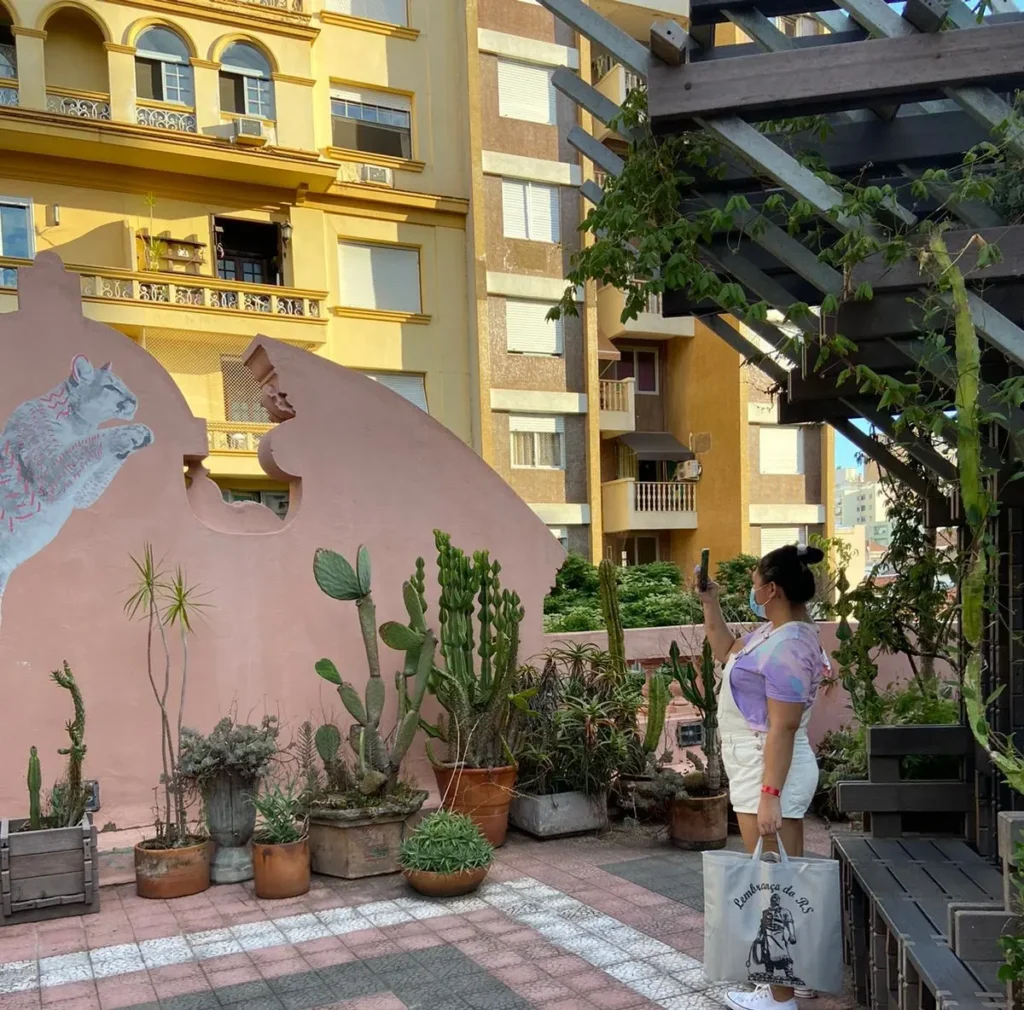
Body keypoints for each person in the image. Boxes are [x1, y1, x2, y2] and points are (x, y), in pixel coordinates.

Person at [697, 543, 831, 1010]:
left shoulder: (790, 644)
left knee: (774, 886)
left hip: (769, 769)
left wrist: (770, 795)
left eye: (755, 584)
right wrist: (710, 604)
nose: (752, 591)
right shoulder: (771, 634)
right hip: (756, 766)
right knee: (776, 878)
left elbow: (784, 725)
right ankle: (793, 979)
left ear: (771, 589)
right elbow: (724, 651)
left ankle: (780, 998)